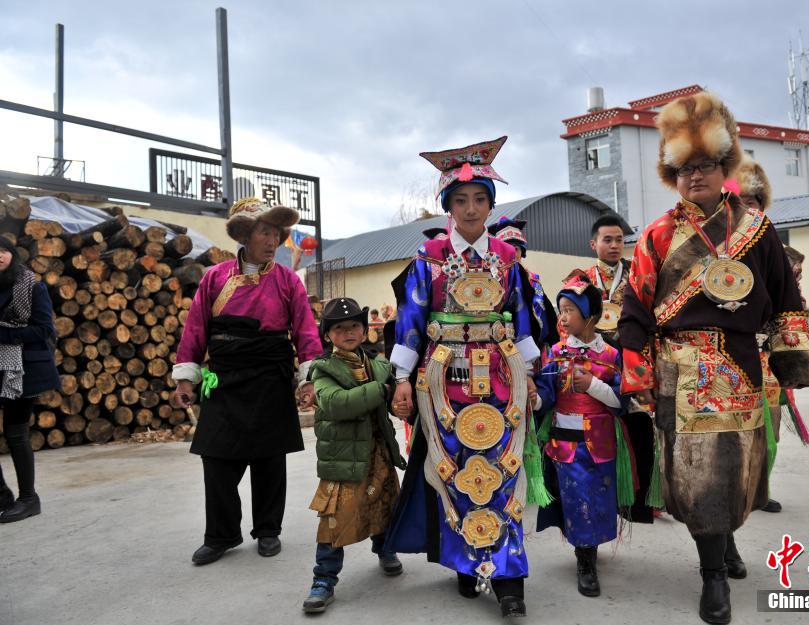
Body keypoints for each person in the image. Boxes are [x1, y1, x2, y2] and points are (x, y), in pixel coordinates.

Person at [617, 92, 809, 624]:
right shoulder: (658, 234)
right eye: (683, 169)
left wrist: (790, 363)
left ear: (723, 168)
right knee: (697, 478)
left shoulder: (756, 229)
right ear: (671, 175)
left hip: (741, 368)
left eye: (703, 166)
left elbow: (784, 299)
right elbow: (634, 307)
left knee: (737, 473)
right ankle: (713, 577)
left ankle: (722, 547)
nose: (693, 177)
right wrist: (635, 371)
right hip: (679, 372)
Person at [384, 136, 541, 618]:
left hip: (500, 376)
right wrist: (403, 378)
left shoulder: (508, 259)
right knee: (455, 474)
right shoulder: (427, 258)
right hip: (444, 381)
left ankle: (509, 575)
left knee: (504, 469)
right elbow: (411, 320)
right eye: (461, 200)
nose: (471, 208)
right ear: (448, 206)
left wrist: (529, 374)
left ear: (491, 205)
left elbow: (521, 319)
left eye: (479, 199)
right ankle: (466, 563)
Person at [172, 197, 323, 566]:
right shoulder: (214, 278)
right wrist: (186, 377)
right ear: (245, 234)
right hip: (225, 376)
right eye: (264, 232)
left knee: (270, 459)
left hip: (271, 374)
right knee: (217, 458)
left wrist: (309, 379)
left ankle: (268, 530)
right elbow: (196, 330)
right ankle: (221, 534)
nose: (272, 241)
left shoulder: (287, 280)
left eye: (276, 234)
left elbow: (305, 330)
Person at [532, 271, 645, 597]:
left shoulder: (611, 355)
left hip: (600, 442)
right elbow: (546, 396)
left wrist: (592, 386)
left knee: (596, 500)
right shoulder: (554, 353)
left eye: (569, 309)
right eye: (561, 309)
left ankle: (589, 550)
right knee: (575, 500)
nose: (563, 317)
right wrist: (533, 398)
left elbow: (620, 403)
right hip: (565, 445)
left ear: (591, 315)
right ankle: (585, 560)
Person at [302, 297, 407, 613]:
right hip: (343, 456)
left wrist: (397, 405)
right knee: (334, 518)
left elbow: (388, 402)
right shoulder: (322, 369)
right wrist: (382, 391)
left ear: (365, 331)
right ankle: (323, 579)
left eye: (355, 326)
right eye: (339, 327)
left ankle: (385, 550)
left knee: (385, 502)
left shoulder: (378, 365)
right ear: (328, 335)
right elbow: (336, 403)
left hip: (378, 452)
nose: (348, 332)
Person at [733, 155, 809, 514]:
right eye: (741, 204)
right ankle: (739, 489)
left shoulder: (781, 254)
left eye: (753, 204)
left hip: (767, 356)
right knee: (735, 433)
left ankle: (759, 488)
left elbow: (793, 310)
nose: (748, 211)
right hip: (732, 355)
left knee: (771, 432)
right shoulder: (720, 254)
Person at [0, 238, 59, 523]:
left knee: (16, 435)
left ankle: (28, 499)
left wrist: (6, 335)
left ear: (12, 254)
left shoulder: (31, 287)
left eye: (3, 251)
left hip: (21, 371)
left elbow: (44, 329)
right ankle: (2, 496)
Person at [488, 216, 559, 351]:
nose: (512, 253)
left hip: (533, 348)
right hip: (498, 346)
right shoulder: (490, 281)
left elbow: (547, 317)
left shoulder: (533, 281)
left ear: (522, 252)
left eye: (516, 248)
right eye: (506, 248)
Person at [581, 213, 631, 344]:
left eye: (619, 240)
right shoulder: (581, 279)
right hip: (594, 350)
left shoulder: (636, 274)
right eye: (608, 240)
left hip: (631, 347)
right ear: (593, 244)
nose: (614, 245)